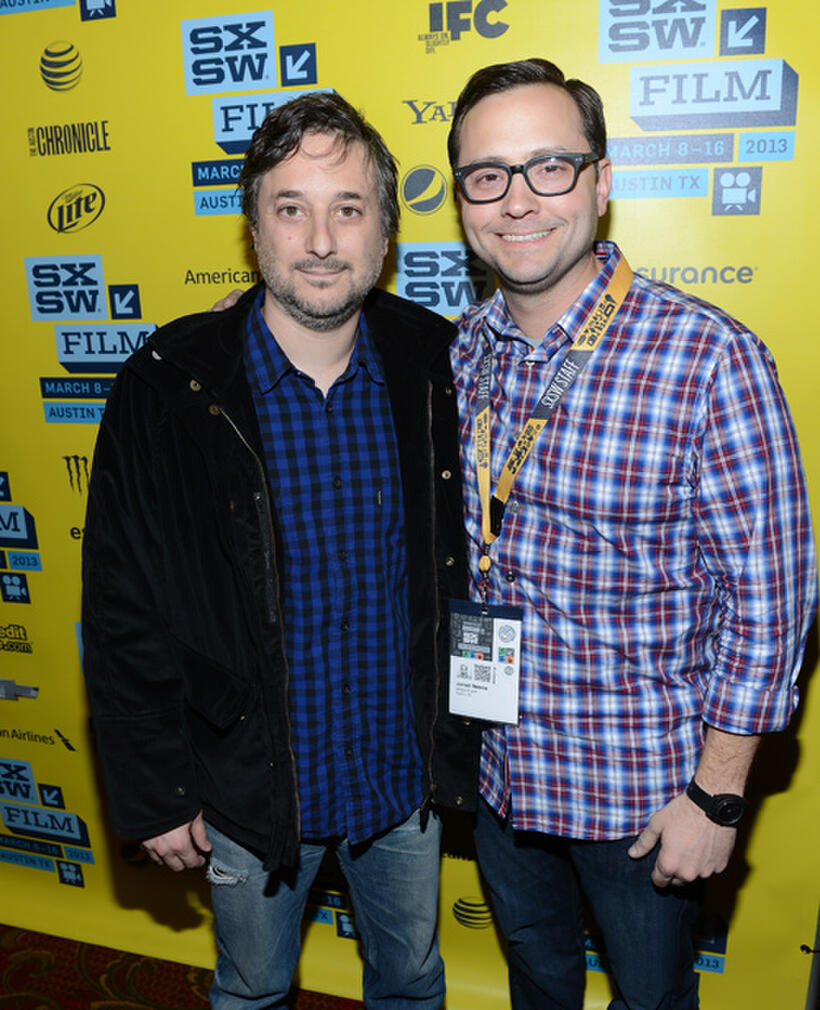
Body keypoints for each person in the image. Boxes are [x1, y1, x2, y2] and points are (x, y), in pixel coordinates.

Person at [81, 91, 482, 1010]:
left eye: (349, 209)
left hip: (399, 771)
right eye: (289, 208)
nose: (321, 240)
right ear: (253, 230)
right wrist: (154, 789)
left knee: (413, 980)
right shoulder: (170, 385)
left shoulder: (443, 364)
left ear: (385, 232)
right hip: (245, 785)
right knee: (253, 989)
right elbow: (121, 605)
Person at [445, 58, 817, 1009]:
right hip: (499, 774)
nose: (517, 200)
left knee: (652, 1001)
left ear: (601, 183)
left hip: (643, 799)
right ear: (461, 200)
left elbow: (771, 605)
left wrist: (716, 797)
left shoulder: (708, 358)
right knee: (536, 980)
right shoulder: (459, 352)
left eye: (549, 167)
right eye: (488, 174)